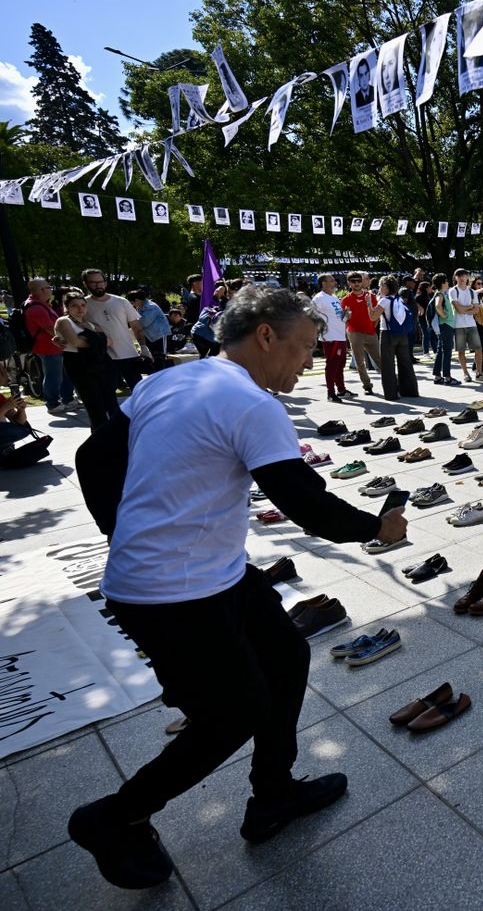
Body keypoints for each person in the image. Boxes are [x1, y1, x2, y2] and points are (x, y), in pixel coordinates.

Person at [68, 286, 407, 891]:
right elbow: (307, 506)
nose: (309, 359)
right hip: (171, 593)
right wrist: (377, 527)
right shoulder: (253, 404)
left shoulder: (169, 379)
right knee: (232, 714)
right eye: (304, 347)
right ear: (266, 336)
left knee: (286, 655)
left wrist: (127, 529)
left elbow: (92, 459)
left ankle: (272, 794)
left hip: (212, 574)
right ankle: (112, 818)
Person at [53, 291, 122, 426]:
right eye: (74, 305)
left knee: (110, 400)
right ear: (67, 307)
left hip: (100, 362)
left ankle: (117, 434)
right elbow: (75, 342)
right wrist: (97, 340)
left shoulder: (91, 324)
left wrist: (90, 339)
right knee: (94, 404)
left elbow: (110, 341)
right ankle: (99, 438)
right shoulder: (63, 321)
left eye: (83, 305)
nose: (80, 309)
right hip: (78, 364)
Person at [82, 269, 145, 392]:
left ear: (105, 283)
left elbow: (136, 327)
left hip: (128, 354)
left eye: (100, 282)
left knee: (140, 392)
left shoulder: (121, 301)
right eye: (93, 282)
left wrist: (143, 347)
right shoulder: (83, 304)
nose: (98, 285)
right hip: (102, 356)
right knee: (106, 394)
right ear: (85, 284)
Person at [23, 279, 78, 414]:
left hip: (54, 347)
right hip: (48, 348)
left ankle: (68, 399)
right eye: (49, 287)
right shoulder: (36, 307)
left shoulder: (40, 304)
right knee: (54, 376)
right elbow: (51, 328)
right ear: (42, 290)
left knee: (63, 374)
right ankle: (52, 404)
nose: (51, 289)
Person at [373, 276, 419, 400]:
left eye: (381, 286)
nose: (379, 288)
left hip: (388, 334)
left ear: (387, 287)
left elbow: (373, 316)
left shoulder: (384, 301)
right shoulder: (399, 299)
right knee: (405, 363)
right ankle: (410, 390)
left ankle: (391, 393)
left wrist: (368, 303)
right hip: (402, 334)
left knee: (388, 365)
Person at [310, 274, 349, 401]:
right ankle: (331, 393)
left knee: (340, 364)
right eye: (331, 280)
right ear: (324, 283)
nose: (335, 282)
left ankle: (341, 390)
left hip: (340, 335)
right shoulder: (319, 298)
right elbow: (311, 314)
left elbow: (339, 316)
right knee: (332, 365)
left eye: (334, 280)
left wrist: (346, 314)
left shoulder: (333, 297)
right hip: (330, 337)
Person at [341, 272, 381, 393]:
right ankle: (367, 386)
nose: (357, 283)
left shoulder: (371, 296)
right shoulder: (345, 300)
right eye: (353, 281)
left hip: (370, 332)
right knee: (360, 362)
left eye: (358, 280)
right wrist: (347, 315)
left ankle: (392, 382)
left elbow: (377, 315)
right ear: (349, 283)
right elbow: (344, 319)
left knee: (380, 360)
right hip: (354, 333)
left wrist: (373, 327)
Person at [448, 270, 483, 381]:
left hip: (471, 324)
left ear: (467, 277)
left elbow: (476, 310)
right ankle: (465, 373)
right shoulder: (453, 290)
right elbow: (458, 309)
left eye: (464, 275)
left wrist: (465, 309)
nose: (462, 278)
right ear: (455, 278)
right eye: (459, 276)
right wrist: (470, 307)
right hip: (458, 325)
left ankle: (479, 373)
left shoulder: (472, 292)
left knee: (479, 349)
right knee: (461, 350)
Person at [127, 289, 171, 372]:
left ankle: (161, 378)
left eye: (132, 303)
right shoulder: (141, 306)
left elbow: (143, 323)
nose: (132, 305)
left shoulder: (151, 307)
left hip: (159, 336)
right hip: (149, 336)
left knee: (160, 357)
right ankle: (153, 376)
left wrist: (130, 324)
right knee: (151, 357)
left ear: (136, 300)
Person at [429, 273, 458, 385]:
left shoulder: (440, 293)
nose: (448, 283)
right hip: (445, 326)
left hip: (444, 326)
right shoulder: (440, 295)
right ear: (442, 283)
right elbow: (437, 306)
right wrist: (443, 315)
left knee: (441, 351)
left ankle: (437, 376)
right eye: (446, 281)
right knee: (447, 352)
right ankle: (447, 377)